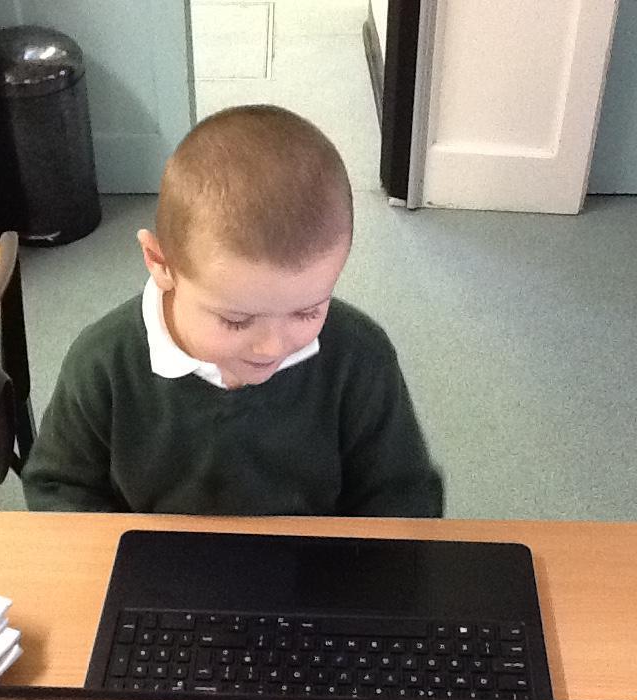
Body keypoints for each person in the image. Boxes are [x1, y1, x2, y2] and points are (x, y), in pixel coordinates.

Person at [22, 104, 443, 517]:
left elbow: (404, 498)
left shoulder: (360, 356)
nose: (272, 347)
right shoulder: (103, 362)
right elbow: (58, 487)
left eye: (307, 312)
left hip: (315, 559)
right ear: (161, 263)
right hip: (156, 559)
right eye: (236, 321)